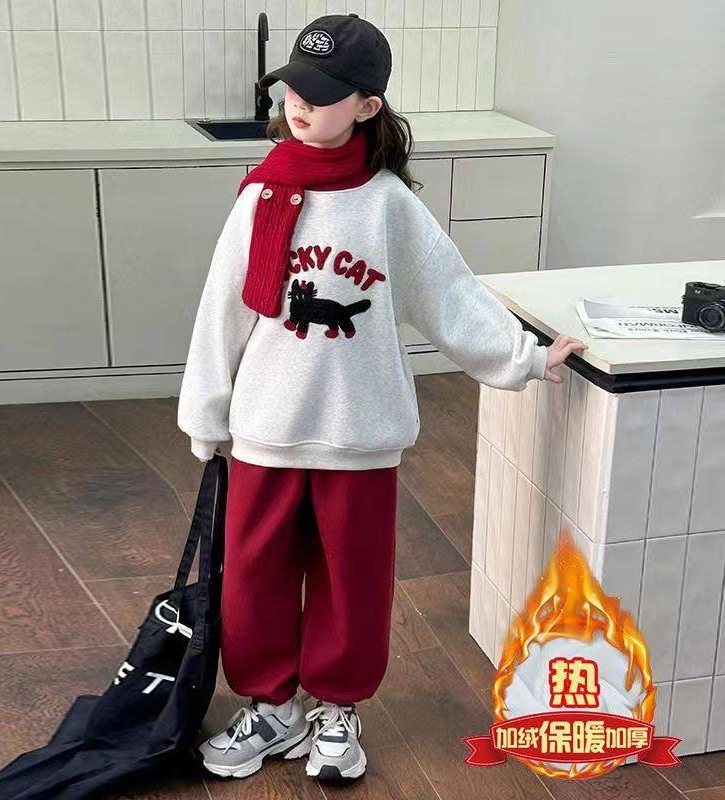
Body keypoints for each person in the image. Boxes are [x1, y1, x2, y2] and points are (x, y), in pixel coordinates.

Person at [177, 12, 587, 783]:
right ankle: (273, 706)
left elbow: (449, 293)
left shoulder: (388, 203)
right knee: (255, 577)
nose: (301, 103)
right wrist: (206, 410)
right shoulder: (263, 194)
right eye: (294, 88)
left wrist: (524, 357)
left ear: (367, 106)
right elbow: (221, 309)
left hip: (360, 433)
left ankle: (336, 707)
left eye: (323, 93)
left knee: (352, 581)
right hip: (266, 426)